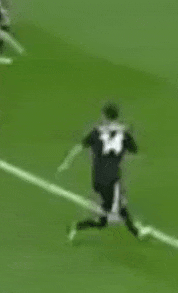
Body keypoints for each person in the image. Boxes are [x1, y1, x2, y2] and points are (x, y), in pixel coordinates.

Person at [57, 102, 149, 241]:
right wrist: (127, 133)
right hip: (112, 178)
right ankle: (137, 232)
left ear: (104, 116)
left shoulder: (96, 132)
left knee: (104, 219)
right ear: (117, 117)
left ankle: (76, 227)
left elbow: (79, 147)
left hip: (98, 179)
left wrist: (66, 163)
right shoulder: (124, 133)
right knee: (119, 207)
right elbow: (134, 150)